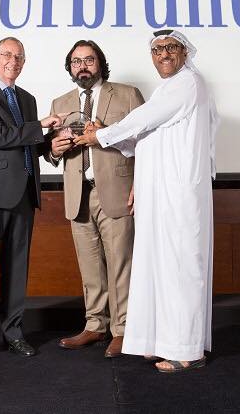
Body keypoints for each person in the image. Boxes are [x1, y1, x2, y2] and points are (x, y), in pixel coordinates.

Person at [75, 30, 219, 373]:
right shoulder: (168, 89)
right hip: (160, 194)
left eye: (170, 47)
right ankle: (165, 341)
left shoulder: (188, 83)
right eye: (156, 50)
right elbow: (145, 137)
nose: (163, 54)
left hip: (178, 195)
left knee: (181, 269)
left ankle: (187, 350)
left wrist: (102, 134)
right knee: (161, 267)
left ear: (185, 52)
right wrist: (108, 135)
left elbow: (142, 120)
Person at [0, 37, 65, 366]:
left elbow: (26, 145)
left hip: (24, 193)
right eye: (7, 54)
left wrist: (50, 145)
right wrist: (40, 126)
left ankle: (13, 333)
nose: (13, 61)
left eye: (19, 56)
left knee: (17, 269)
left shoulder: (27, 99)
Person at [46, 40, 144, 358]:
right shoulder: (60, 102)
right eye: (76, 62)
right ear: (70, 68)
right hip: (78, 194)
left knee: (120, 264)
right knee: (90, 266)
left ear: (100, 63)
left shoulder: (128, 95)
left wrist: (106, 134)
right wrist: (53, 150)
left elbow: (145, 142)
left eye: (89, 60)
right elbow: (52, 152)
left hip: (116, 192)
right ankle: (95, 325)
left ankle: (123, 330)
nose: (83, 66)